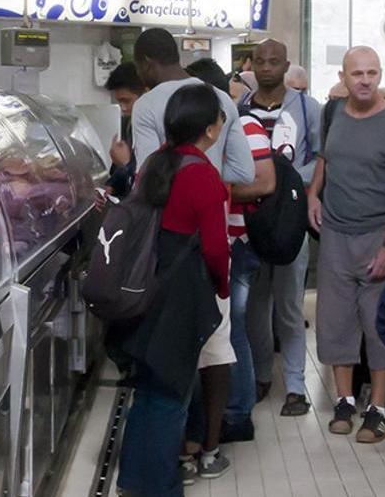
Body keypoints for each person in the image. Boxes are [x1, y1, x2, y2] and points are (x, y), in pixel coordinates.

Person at [115, 84, 233, 497]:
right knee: (172, 395)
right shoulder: (202, 175)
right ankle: (161, 488)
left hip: (144, 287)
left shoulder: (153, 165)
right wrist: (221, 288)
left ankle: (133, 481)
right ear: (210, 129)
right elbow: (217, 249)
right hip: (182, 295)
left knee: (148, 389)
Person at [179, 65, 275, 482]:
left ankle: (235, 415)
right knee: (223, 337)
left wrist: (221, 188)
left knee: (229, 334)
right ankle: (216, 429)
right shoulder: (199, 160)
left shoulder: (243, 127)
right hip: (217, 251)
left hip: (234, 245)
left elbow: (263, 180)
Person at [307, 46, 385, 444]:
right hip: (334, 234)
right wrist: (314, 194)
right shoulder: (332, 113)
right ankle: (344, 401)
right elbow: (325, 158)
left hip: (377, 234)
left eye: (372, 73)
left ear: (380, 75)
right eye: (357, 74)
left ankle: (377, 408)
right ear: (343, 77)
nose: (364, 80)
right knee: (334, 322)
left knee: (378, 324)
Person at [237, 39, 321, 419]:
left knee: (289, 304)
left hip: (289, 217)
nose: (267, 67)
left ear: (287, 65)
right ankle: (259, 375)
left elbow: (321, 156)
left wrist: (302, 189)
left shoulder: (307, 108)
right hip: (250, 219)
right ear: (251, 65)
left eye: (274, 62)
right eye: (260, 62)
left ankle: (296, 386)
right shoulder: (239, 112)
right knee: (255, 306)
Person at [132, 28, 255, 187]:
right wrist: (210, 170)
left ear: (146, 64)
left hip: (171, 209)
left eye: (137, 68)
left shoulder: (146, 105)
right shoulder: (221, 97)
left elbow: (147, 174)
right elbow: (244, 172)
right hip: (213, 206)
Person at [104, 63, 146, 199]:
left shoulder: (153, 129)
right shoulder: (127, 124)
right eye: (119, 102)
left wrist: (126, 164)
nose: (122, 108)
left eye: (126, 101)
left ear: (146, 94)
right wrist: (110, 186)